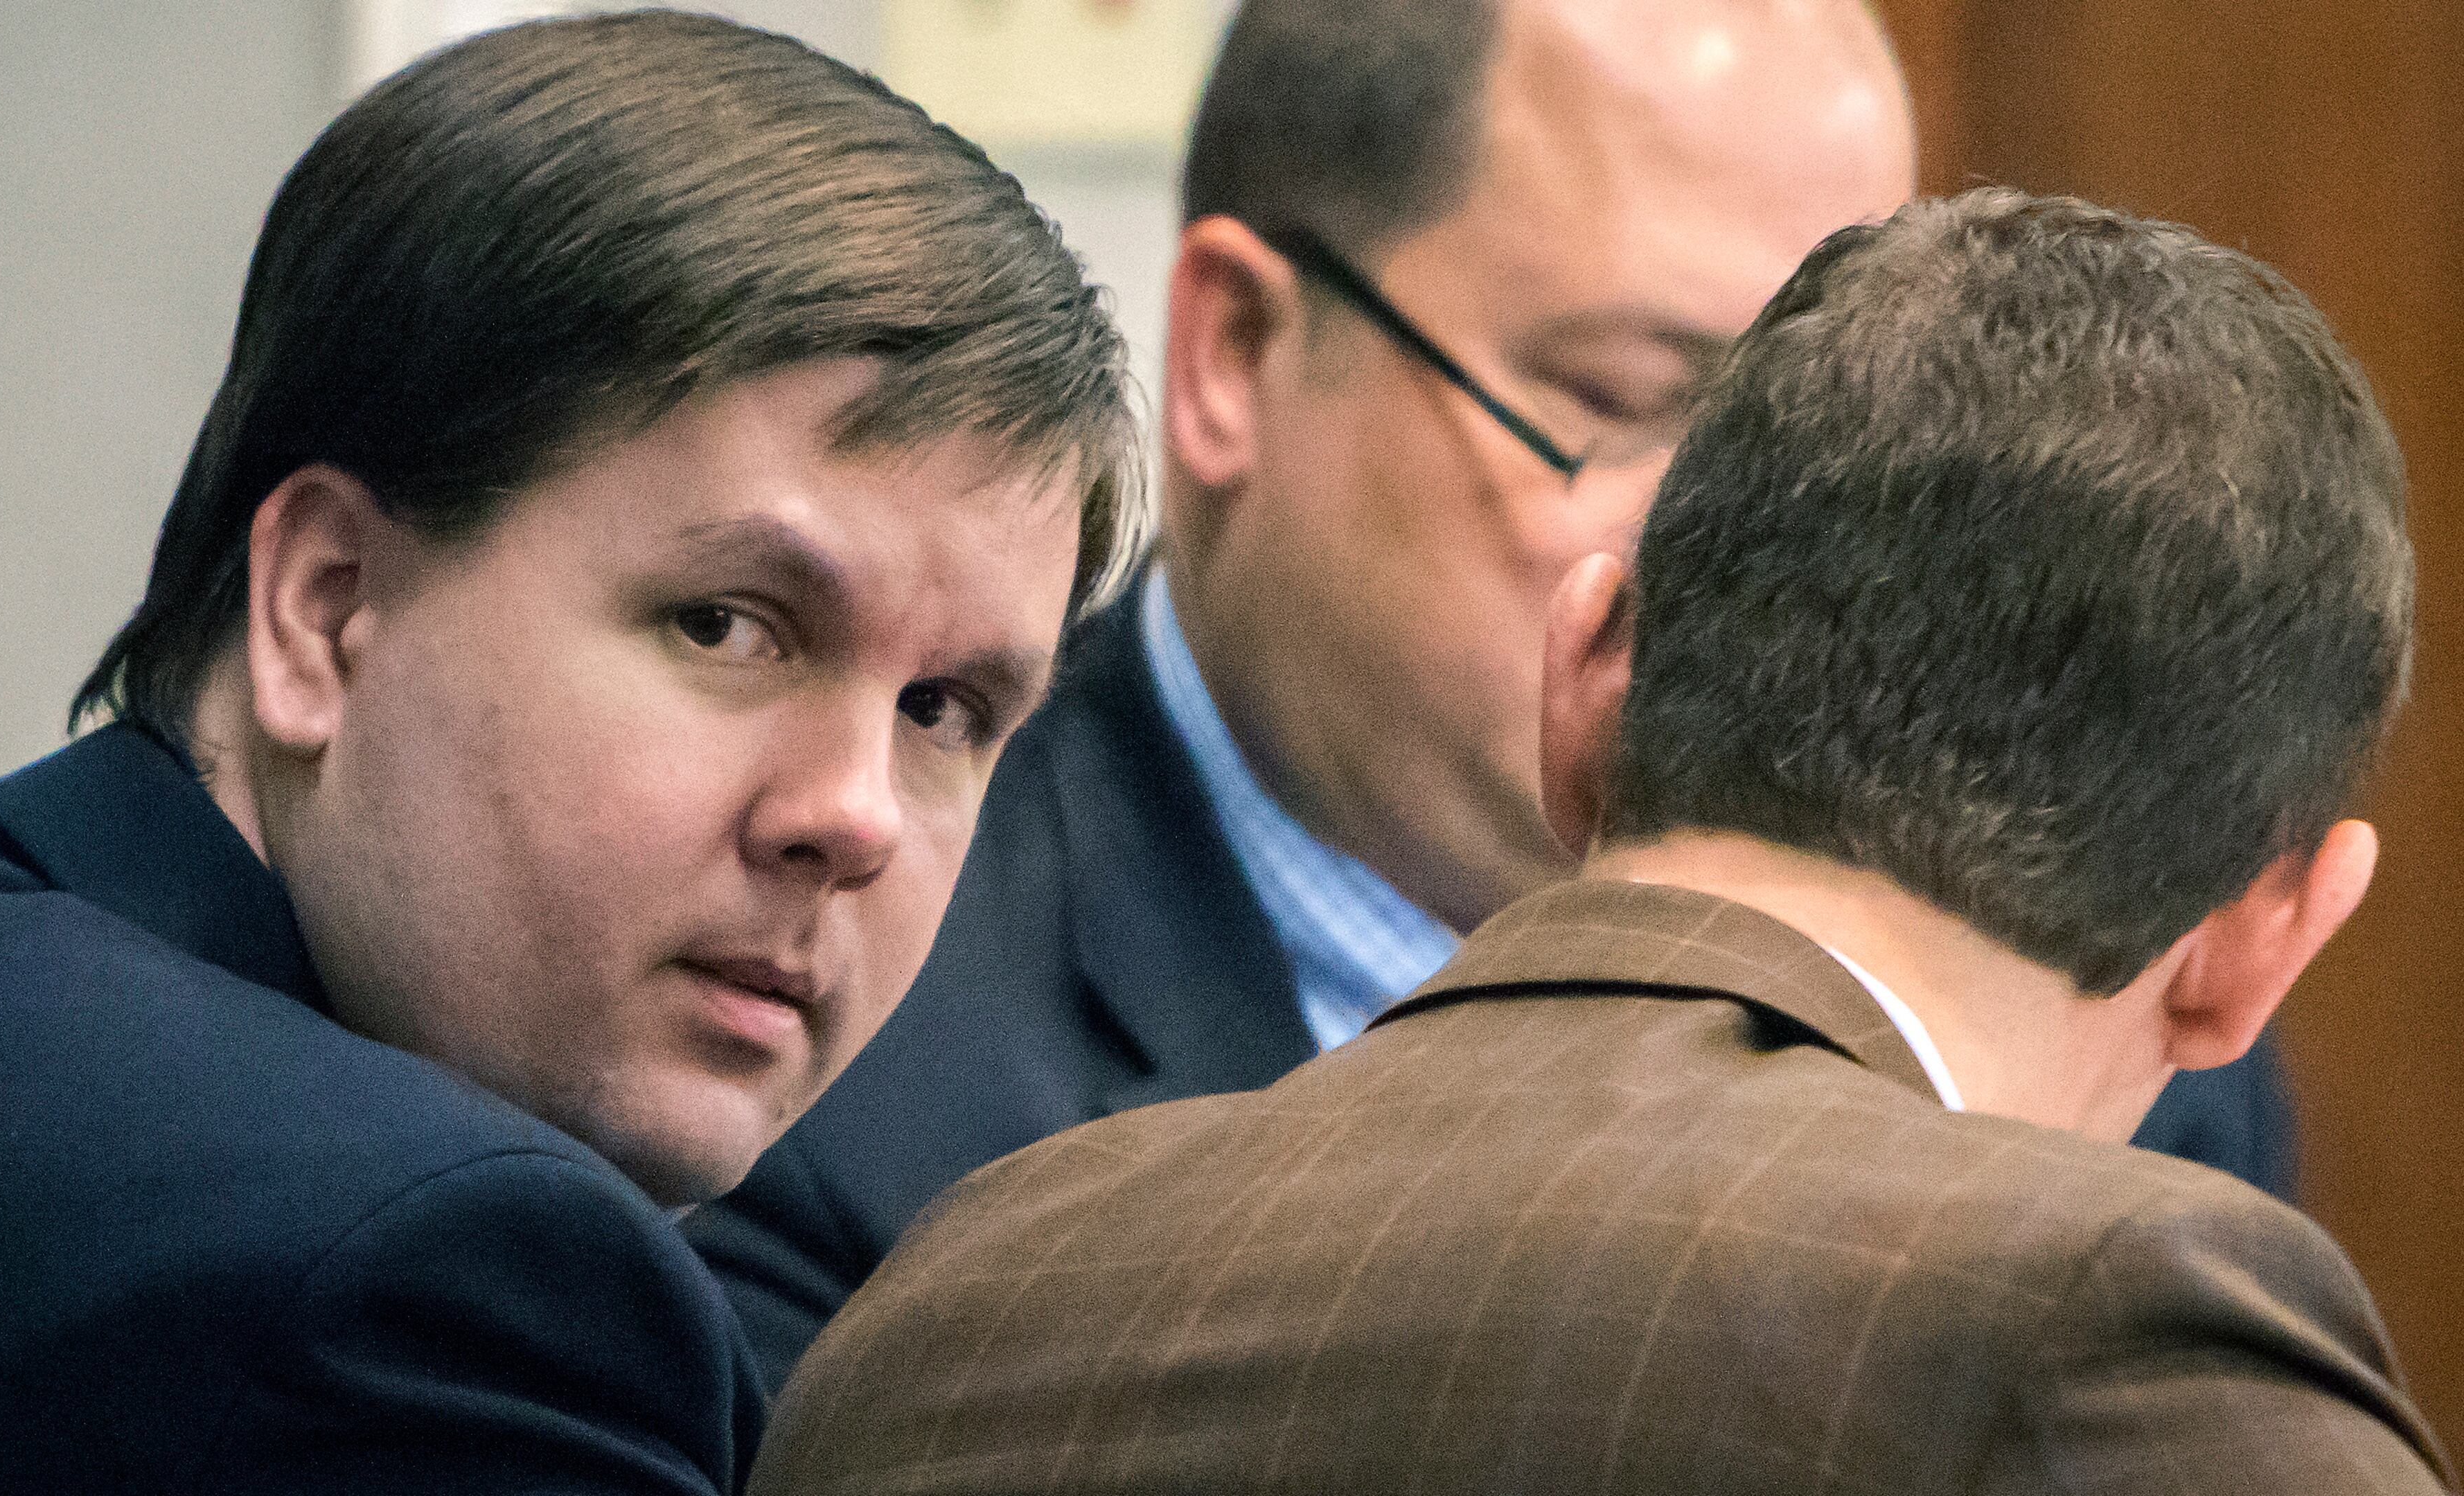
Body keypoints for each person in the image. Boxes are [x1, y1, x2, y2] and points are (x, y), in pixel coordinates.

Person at [690, 0, 2307, 1392]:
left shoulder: (2096, 1009)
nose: (1762, 546)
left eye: (1843, 437)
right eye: (1625, 399)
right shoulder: (811, 1038)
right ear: (1235, 354)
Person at [0, 13, 1141, 1494]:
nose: (855, 817)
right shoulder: (444, 1282)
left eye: (941, 709)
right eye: (726, 626)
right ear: (328, 609)